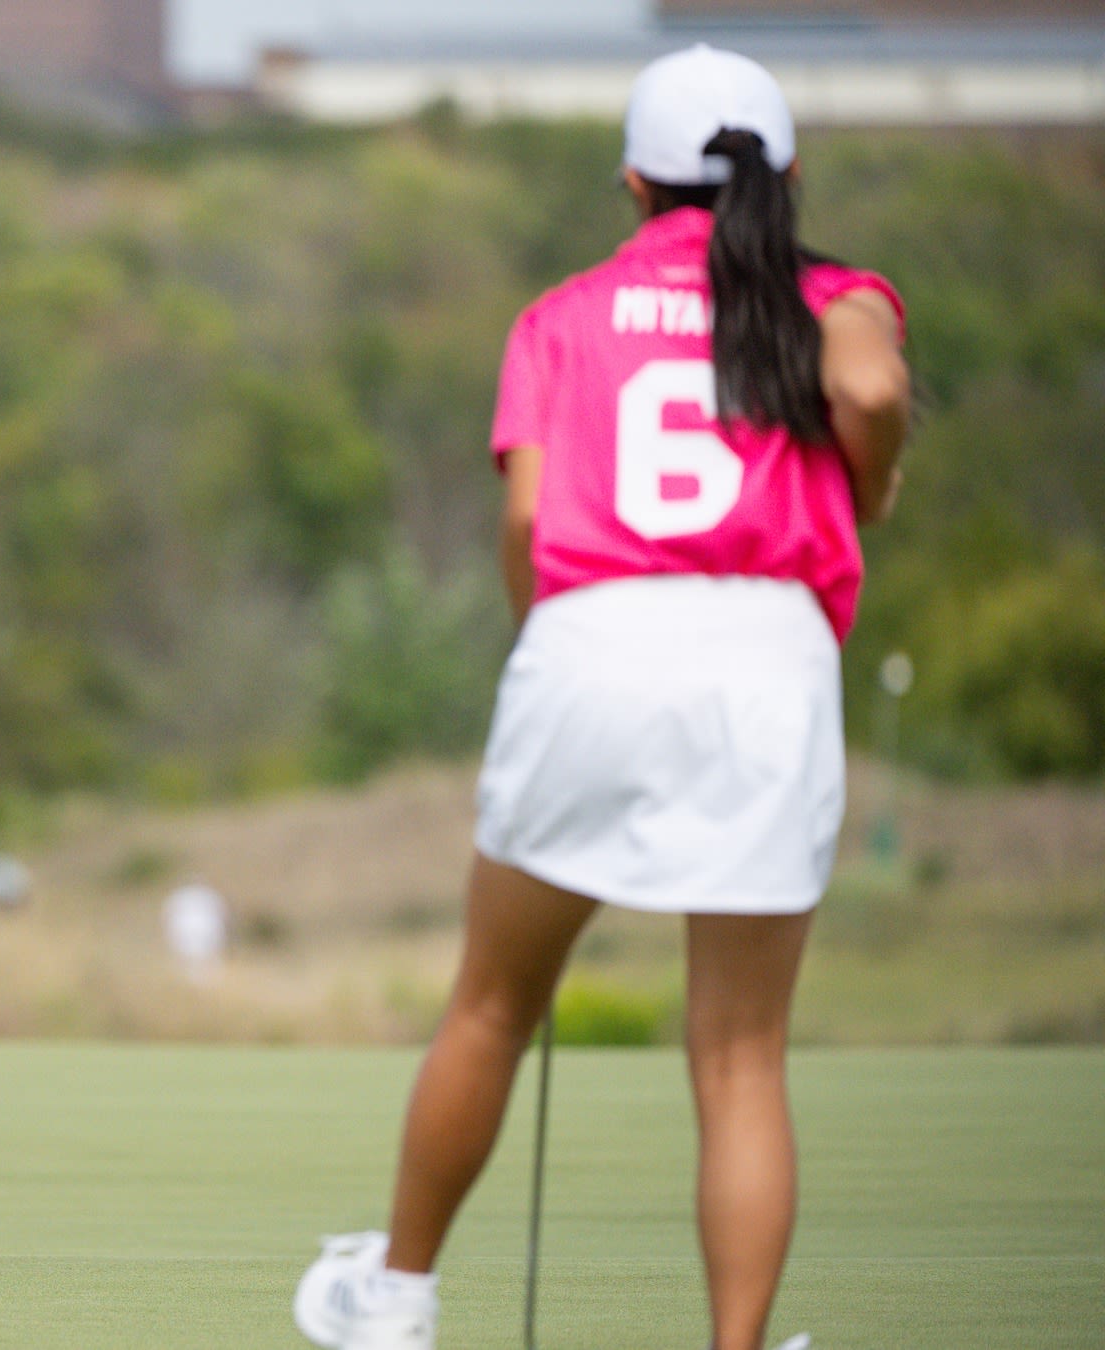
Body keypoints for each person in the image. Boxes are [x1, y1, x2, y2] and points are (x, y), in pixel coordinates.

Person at [295, 47, 910, 1350]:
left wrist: (555, 645)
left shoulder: (561, 312)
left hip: (591, 639)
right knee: (739, 1056)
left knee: (491, 1002)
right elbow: (866, 388)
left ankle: (394, 1297)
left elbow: (529, 514)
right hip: (765, 654)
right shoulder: (835, 295)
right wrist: (869, 479)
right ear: (788, 176)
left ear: (633, 183)